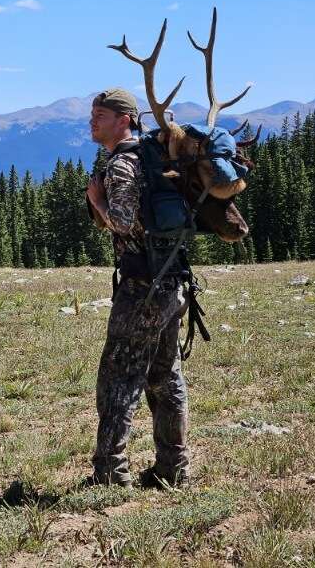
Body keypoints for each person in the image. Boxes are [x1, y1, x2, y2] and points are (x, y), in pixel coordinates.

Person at [84, 88, 190, 489]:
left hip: (142, 287)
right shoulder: (154, 159)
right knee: (165, 376)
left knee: (119, 377)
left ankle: (111, 473)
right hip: (174, 282)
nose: (92, 122)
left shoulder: (121, 165)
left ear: (123, 119)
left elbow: (126, 222)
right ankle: (173, 468)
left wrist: (98, 202)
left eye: (100, 115)